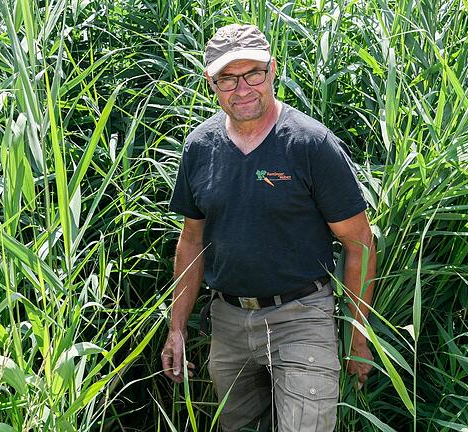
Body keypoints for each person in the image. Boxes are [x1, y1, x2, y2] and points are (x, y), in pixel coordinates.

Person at [161, 23, 376, 432]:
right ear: (211, 82)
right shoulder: (200, 147)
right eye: (228, 78)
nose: (242, 88)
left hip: (301, 317)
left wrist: (358, 335)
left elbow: (359, 242)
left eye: (253, 74)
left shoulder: (310, 144)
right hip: (227, 320)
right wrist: (177, 328)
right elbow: (191, 242)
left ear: (272, 70)